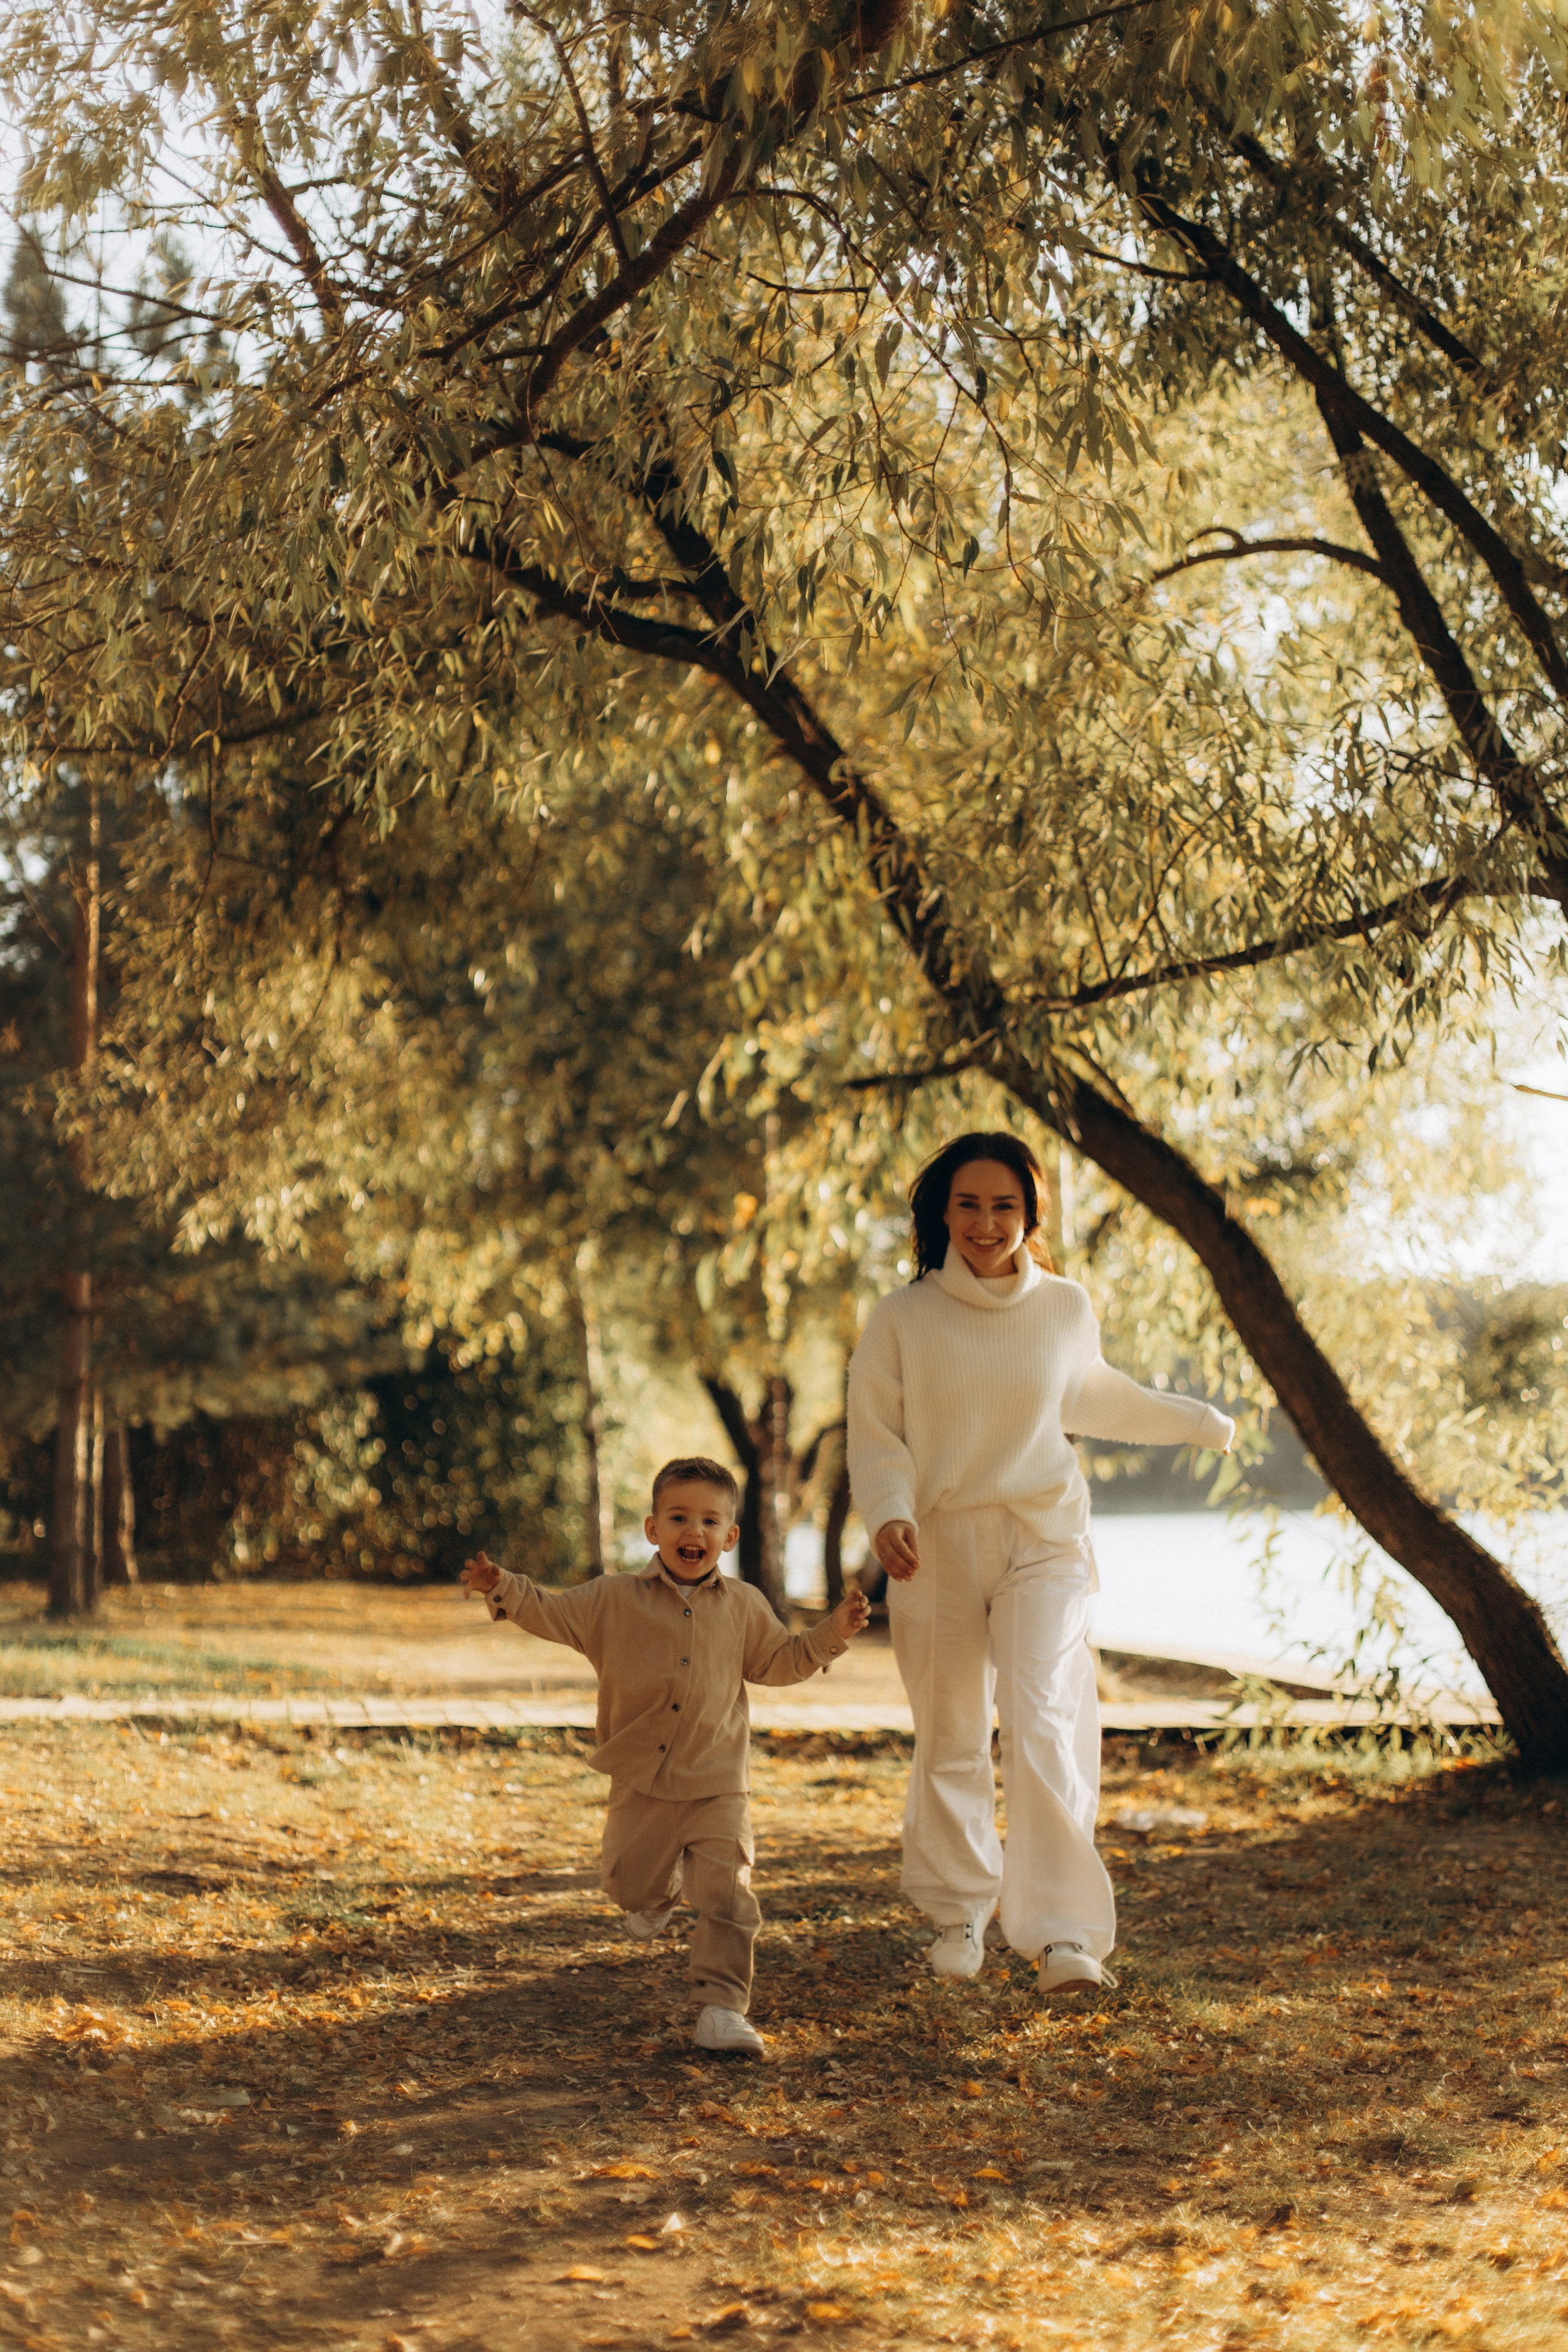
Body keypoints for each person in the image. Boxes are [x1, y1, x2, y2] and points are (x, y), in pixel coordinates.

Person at [847, 1131, 1235, 2002]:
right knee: (951, 1731)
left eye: (1005, 1206)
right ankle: (958, 1913)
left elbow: (1093, 1394)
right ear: (942, 1213)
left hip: (1045, 1539)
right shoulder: (902, 1319)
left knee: (1043, 1722)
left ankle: (1063, 1933)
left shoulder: (1064, 1306)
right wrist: (890, 1514)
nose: (987, 1223)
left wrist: (1196, 1421)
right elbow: (876, 1436)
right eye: (969, 1205)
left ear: (1030, 1215)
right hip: (936, 1545)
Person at [462, 1455, 870, 2057]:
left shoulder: (744, 1606)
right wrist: (502, 1585)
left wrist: (832, 1631)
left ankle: (721, 2009)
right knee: (632, 1890)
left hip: (717, 1780)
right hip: (641, 1780)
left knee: (729, 1895)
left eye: (709, 1521)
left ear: (730, 1537)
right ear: (653, 1529)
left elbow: (782, 1661)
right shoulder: (612, 1599)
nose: (693, 1531)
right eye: (678, 1518)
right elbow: (551, 1611)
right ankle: (655, 1893)